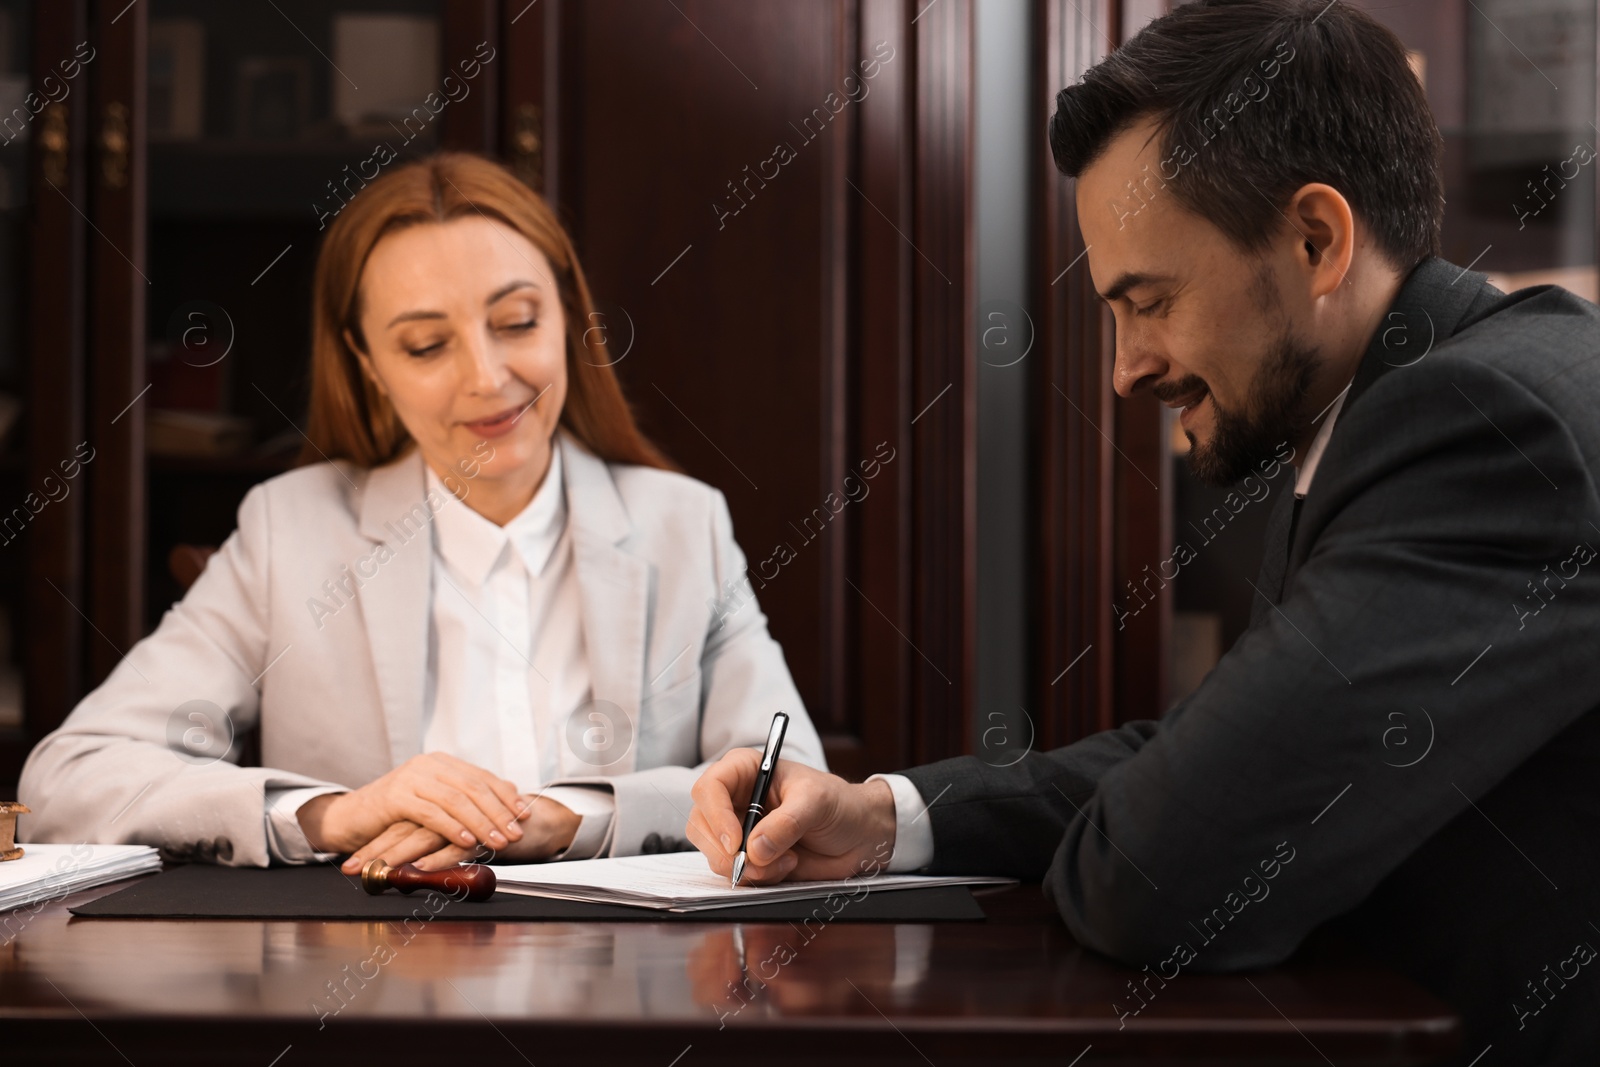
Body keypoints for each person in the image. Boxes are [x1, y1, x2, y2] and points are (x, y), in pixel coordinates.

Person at [687, 2, 1600, 1062]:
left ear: (1316, 240)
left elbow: (1165, 877)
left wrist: (1140, 826)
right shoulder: (1439, 392)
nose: (1124, 368)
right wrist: (886, 814)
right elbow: (1204, 753)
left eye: (1149, 301)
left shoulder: (1475, 433)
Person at [20, 152, 823, 874]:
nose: (487, 375)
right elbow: (72, 776)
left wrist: (576, 816)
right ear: (368, 364)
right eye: (426, 345)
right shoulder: (290, 530)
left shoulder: (685, 525)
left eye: (516, 322)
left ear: (571, 315)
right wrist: (334, 814)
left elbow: (789, 789)